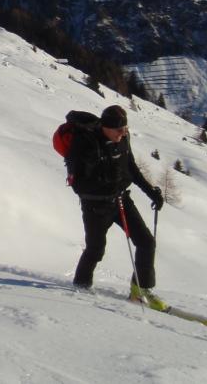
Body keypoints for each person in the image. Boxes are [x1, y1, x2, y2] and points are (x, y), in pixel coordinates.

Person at [66, 104, 166, 309]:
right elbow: (78, 185)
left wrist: (151, 191)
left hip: (121, 200)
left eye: (126, 129)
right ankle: (81, 287)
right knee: (96, 250)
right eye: (119, 130)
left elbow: (131, 168)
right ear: (105, 127)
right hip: (95, 207)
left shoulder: (122, 139)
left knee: (146, 242)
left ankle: (141, 290)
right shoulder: (85, 144)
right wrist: (105, 182)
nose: (124, 134)